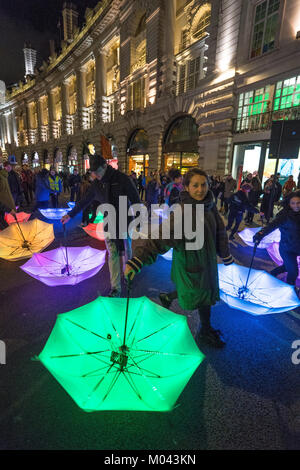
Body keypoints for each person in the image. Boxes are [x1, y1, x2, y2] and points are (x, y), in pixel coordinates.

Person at [124, 168, 234, 348]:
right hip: (190, 265)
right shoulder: (183, 213)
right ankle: (205, 331)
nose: (200, 189)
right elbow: (159, 237)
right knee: (202, 297)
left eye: (204, 184)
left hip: (206, 263)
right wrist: (137, 260)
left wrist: (225, 253)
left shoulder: (209, 205)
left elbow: (220, 232)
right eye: (195, 185)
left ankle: (169, 299)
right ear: (187, 188)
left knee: (201, 293)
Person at [61, 154, 142, 297]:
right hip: (109, 223)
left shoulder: (122, 179)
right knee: (113, 254)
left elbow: (135, 198)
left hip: (124, 222)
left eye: (97, 171)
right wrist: (70, 214)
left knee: (126, 251)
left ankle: (128, 274)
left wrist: (139, 221)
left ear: (105, 166)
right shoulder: (97, 184)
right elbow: (85, 201)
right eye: (92, 172)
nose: (94, 174)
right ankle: (115, 287)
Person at [253, 190, 300, 292]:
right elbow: (271, 226)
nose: (296, 206)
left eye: (298, 203)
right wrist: (260, 234)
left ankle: (272, 274)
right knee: (293, 272)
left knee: (287, 267)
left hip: (297, 248)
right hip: (287, 249)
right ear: (288, 204)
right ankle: (290, 290)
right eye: (293, 203)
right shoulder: (284, 216)